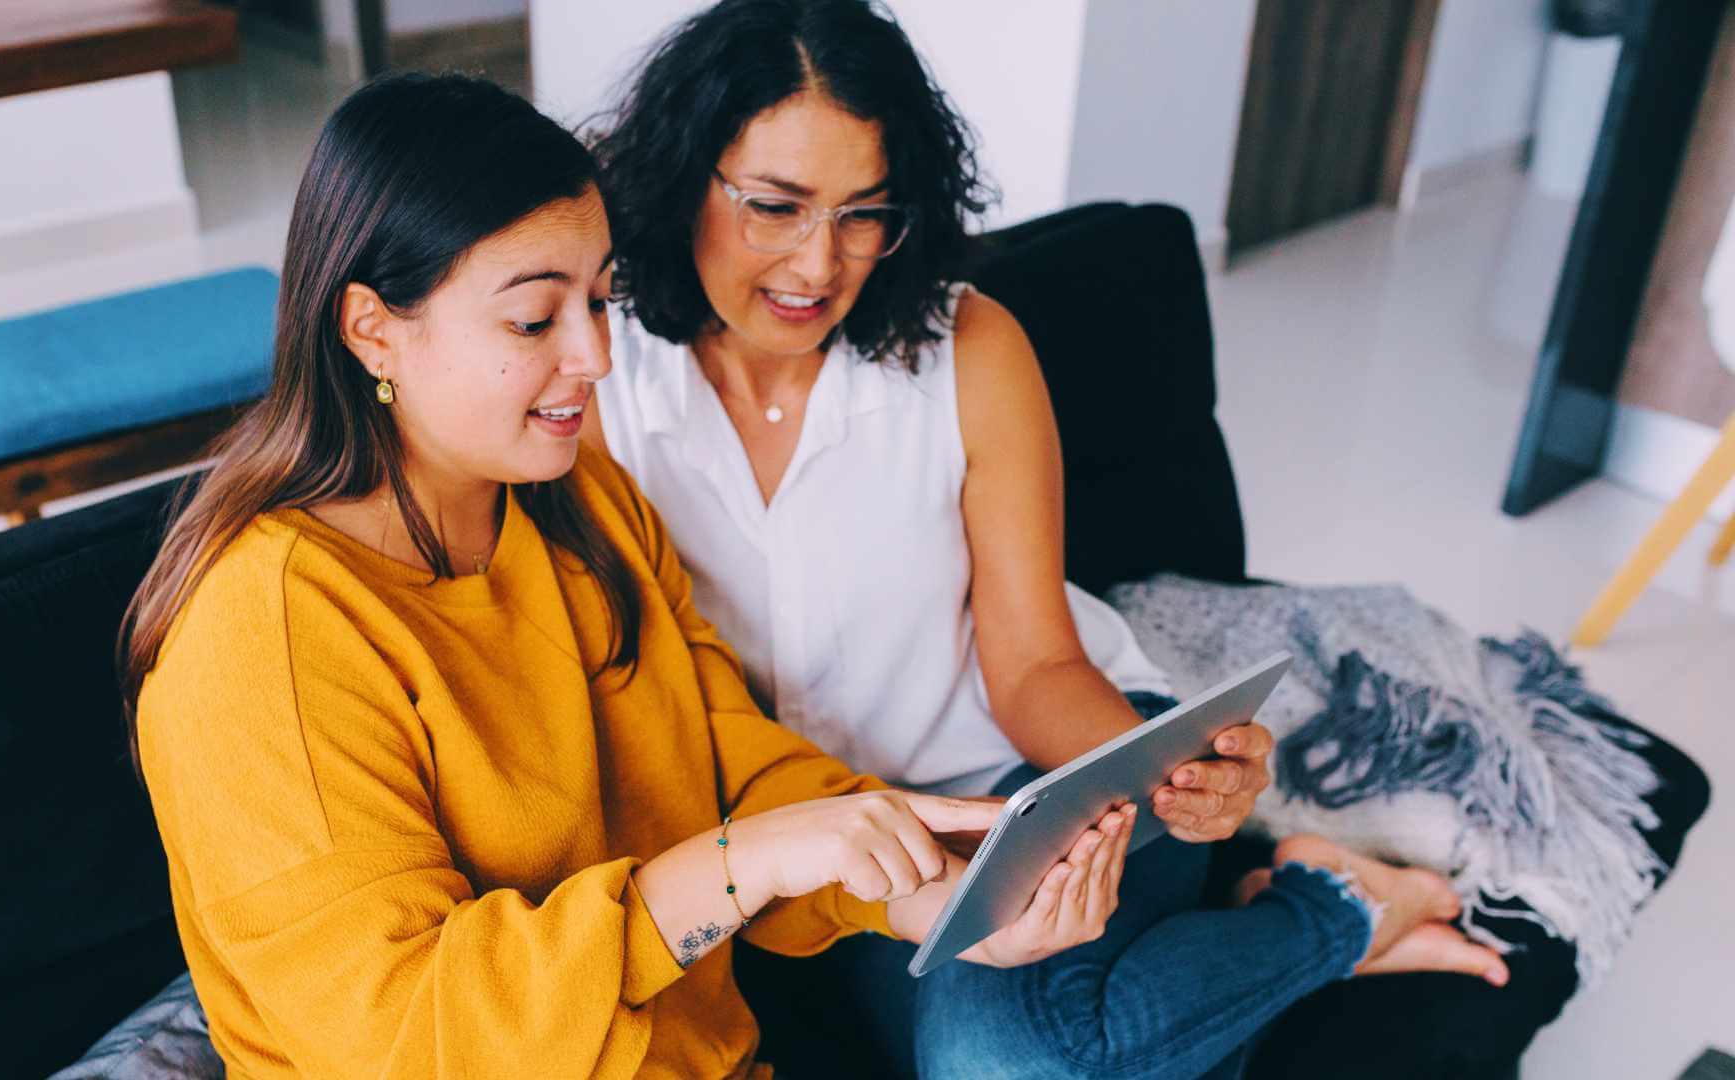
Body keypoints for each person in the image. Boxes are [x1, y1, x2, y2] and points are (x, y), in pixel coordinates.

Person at [118, 72, 1137, 1080]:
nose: (597, 356)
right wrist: (738, 867)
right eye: (534, 320)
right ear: (372, 329)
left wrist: (938, 898)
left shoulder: (584, 506)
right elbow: (396, 1036)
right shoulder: (264, 635)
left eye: (600, 301)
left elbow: (732, 764)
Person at [585, 2, 1510, 1076]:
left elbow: (1031, 661)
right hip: (814, 852)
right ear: (684, 179)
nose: (818, 262)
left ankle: (1312, 900)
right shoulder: (601, 379)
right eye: (776, 206)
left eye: (864, 213)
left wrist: (1161, 777)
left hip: (1015, 784)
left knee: (1005, 1063)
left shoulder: (966, 347)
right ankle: (1336, 913)